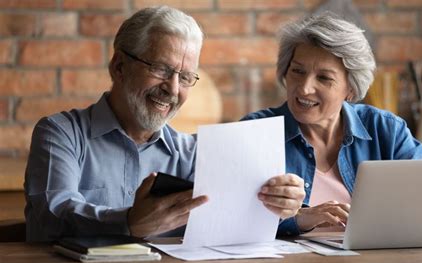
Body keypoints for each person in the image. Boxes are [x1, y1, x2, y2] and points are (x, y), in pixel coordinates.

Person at [24, 6, 305, 242]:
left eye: (185, 77)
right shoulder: (60, 133)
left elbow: (231, 224)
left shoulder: (194, 152)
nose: (172, 89)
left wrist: (282, 206)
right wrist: (128, 223)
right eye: (160, 69)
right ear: (119, 66)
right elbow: (49, 216)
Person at [242, 12, 422, 236]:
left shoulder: (386, 130)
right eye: (297, 71)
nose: (304, 88)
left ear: (350, 89)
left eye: (324, 78)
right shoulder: (254, 132)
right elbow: (226, 218)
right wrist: (298, 219)